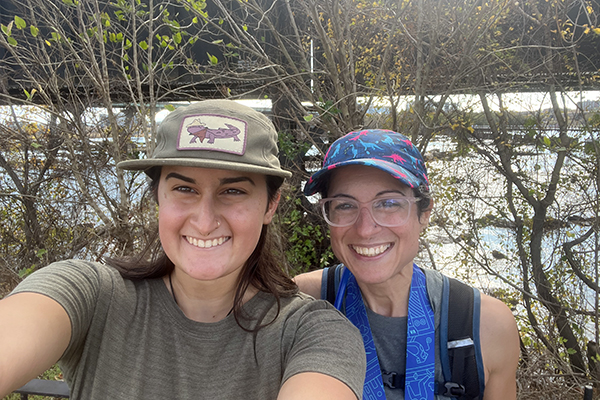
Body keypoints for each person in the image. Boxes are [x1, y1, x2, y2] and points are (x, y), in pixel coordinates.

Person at [0, 100, 366, 400]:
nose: (204, 222)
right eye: (184, 189)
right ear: (158, 196)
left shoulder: (314, 332)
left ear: (270, 205)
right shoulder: (91, 295)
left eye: (233, 191)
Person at [294, 129, 520, 400]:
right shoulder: (301, 304)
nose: (365, 229)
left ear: (424, 213)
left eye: (389, 203)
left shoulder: (484, 325)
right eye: (345, 206)